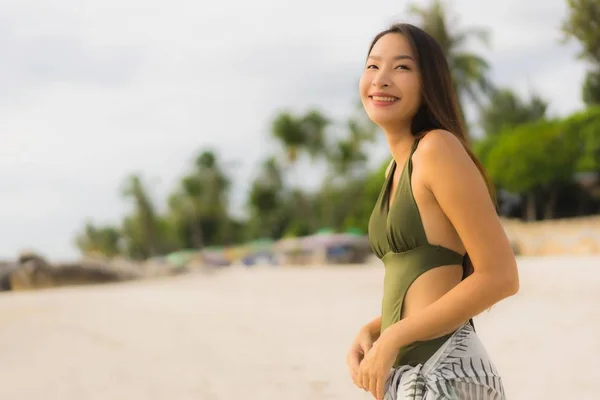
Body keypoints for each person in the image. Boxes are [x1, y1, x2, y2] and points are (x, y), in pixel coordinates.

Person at [345, 23, 519, 400]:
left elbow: (501, 275)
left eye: (402, 67)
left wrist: (395, 336)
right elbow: (430, 287)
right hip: (411, 378)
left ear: (429, 83)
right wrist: (377, 329)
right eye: (373, 66)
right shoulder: (395, 169)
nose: (382, 79)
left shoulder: (437, 149)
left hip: (447, 374)